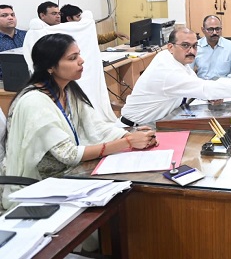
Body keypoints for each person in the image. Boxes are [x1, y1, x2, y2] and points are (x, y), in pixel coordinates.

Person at [1, 33, 156, 209]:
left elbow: (96, 127)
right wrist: (127, 142)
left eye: (79, 55)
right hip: (44, 185)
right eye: (73, 58)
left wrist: (129, 134)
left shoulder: (67, 89)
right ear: (50, 67)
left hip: (71, 175)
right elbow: (69, 155)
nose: (81, 61)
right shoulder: (35, 102)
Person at [119, 28, 231, 126]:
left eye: (194, 46)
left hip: (161, 121)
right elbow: (206, 88)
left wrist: (208, 96)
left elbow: (198, 85)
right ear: (170, 47)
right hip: (136, 129)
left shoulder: (172, 59)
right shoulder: (167, 70)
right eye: (185, 46)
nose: (191, 51)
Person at [193, 15, 231, 79]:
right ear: (203, 30)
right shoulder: (196, 46)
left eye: (217, 29)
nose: (214, 33)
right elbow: (188, 72)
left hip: (224, 85)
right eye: (210, 29)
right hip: (203, 85)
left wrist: (221, 82)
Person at [60, 4, 129, 44]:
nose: (81, 19)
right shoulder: (62, 36)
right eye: (78, 16)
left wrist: (115, 34)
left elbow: (98, 38)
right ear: (69, 18)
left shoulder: (81, 29)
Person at [0, 4, 27, 81]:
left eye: (12, 15)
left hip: (30, 79)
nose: (10, 18)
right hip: (3, 82)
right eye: (4, 15)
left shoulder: (27, 35)